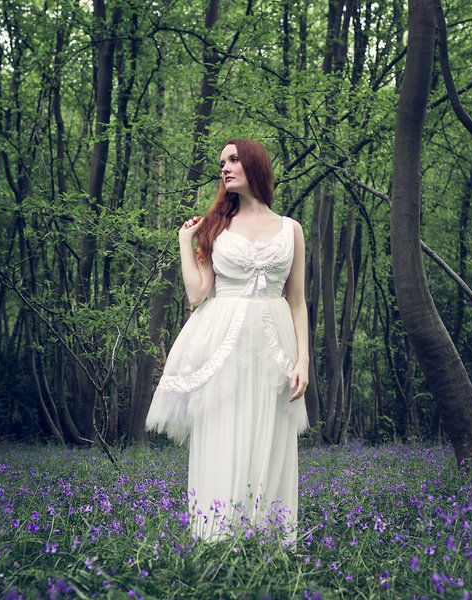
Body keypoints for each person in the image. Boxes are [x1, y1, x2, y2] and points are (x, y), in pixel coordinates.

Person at [146, 138, 309, 542]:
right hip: (224, 343)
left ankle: (269, 541)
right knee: (222, 434)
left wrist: (303, 360)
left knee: (269, 439)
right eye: (222, 162)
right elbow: (197, 295)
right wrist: (186, 244)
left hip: (275, 346)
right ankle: (216, 539)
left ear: (255, 164)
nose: (225, 167)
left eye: (233, 159)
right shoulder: (215, 227)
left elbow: (298, 301)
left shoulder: (292, 230)